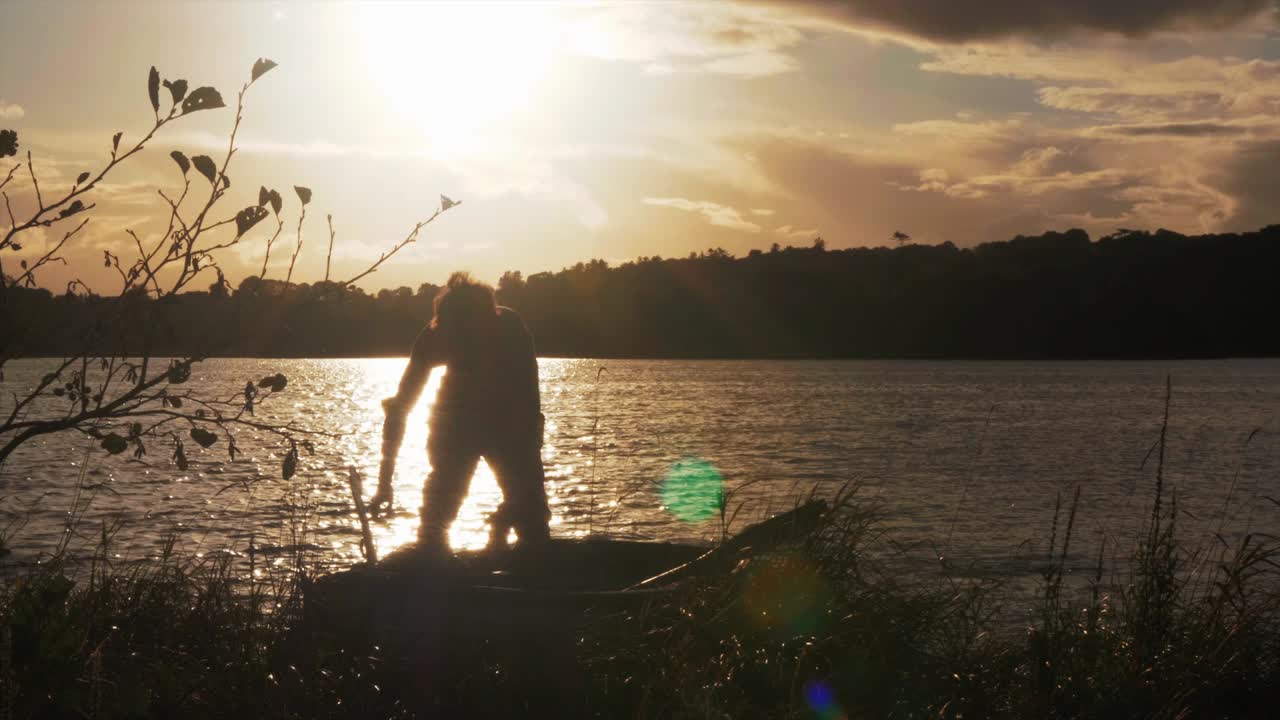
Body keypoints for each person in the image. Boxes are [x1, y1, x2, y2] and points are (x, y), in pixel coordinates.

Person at [370, 272, 551, 553]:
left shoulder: (510, 329)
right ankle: (433, 550)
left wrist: (516, 504)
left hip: (509, 416)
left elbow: (530, 399)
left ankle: (515, 534)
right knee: (434, 524)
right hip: (455, 419)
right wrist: (384, 484)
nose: (468, 342)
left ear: (489, 321)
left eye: (474, 333)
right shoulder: (434, 337)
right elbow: (400, 408)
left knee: (533, 522)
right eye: (459, 336)